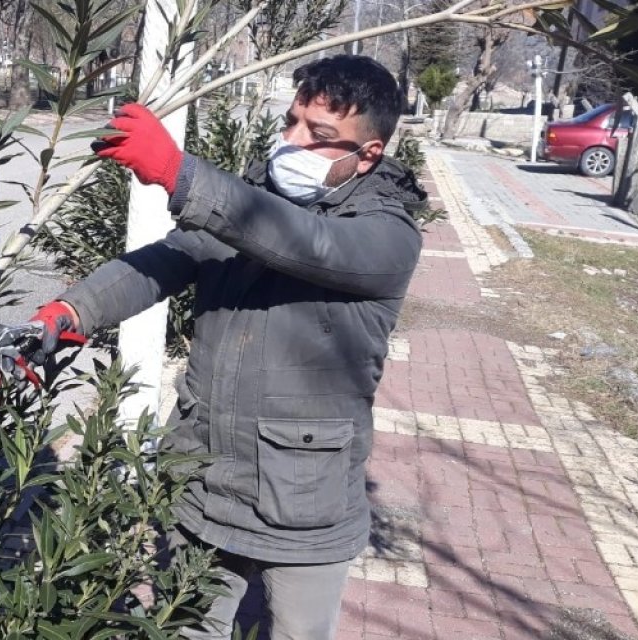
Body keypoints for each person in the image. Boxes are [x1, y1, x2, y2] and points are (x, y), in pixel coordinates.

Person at [27, 55, 425, 639]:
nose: (290, 143)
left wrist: (178, 171)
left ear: (368, 155)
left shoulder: (387, 235)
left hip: (303, 508)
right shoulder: (257, 199)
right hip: (205, 482)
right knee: (183, 628)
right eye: (291, 122)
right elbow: (170, 259)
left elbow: (305, 243)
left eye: (318, 137)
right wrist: (70, 312)